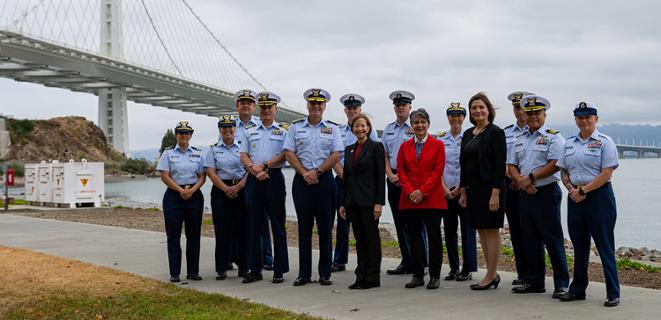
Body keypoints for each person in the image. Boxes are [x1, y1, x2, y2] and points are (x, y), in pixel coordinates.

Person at [557, 102, 621, 307]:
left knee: (604, 246)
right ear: (575, 119)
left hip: (599, 197)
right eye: (580, 117)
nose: (584, 121)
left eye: (588, 117)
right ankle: (577, 290)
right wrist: (572, 190)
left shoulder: (605, 142)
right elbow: (563, 170)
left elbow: (607, 173)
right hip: (575, 197)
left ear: (596, 119)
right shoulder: (569, 143)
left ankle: (613, 292)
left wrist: (584, 190)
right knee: (580, 246)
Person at [507, 95, 570, 298]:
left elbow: (555, 163)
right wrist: (521, 182)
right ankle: (535, 281)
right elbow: (511, 166)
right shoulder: (520, 138)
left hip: (546, 192)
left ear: (545, 114)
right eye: (530, 113)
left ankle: (561, 283)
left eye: (537, 113)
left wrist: (531, 179)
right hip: (525, 193)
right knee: (530, 239)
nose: (533, 117)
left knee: (552, 239)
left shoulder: (554, 137)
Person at [284, 88, 343, 286]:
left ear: (324, 106)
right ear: (307, 105)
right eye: (313, 103)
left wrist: (317, 172)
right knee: (304, 228)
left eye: (320, 104)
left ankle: (325, 273)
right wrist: (304, 172)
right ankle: (304, 273)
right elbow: (289, 153)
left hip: (324, 181)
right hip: (301, 181)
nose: (316, 106)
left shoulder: (333, 129)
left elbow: (336, 154)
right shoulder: (295, 127)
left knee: (325, 228)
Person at [239, 91, 290, 284]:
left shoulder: (283, 131)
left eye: (270, 107)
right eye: (264, 107)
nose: (267, 110)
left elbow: (286, 154)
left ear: (275, 109)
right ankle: (255, 269)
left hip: (274, 178)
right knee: (254, 225)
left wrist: (266, 165)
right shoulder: (249, 131)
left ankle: (279, 269)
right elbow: (243, 155)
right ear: (259, 110)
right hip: (254, 178)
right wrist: (254, 169)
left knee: (278, 225)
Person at [458, 93, 506, 291]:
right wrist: (463, 191)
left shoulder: (495, 132)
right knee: (482, 230)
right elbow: (464, 163)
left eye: (481, 107)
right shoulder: (469, 133)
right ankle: (490, 273)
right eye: (474, 108)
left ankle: (491, 274)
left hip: (490, 188)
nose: (477, 110)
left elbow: (499, 164)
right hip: (473, 189)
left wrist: (495, 193)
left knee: (492, 229)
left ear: (488, 110)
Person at [397, 108, 447, 290]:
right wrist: (411, 191)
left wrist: (422, 192)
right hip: (410, 199)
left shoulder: (438, 145)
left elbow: (437, 171)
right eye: (416, 122)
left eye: (422, 122)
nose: (419, 125)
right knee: (414, 238)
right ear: (411, 126)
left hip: (431, 199)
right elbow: (401, 171)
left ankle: (434, 276)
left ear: (428, 124)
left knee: (434, 238)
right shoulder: (404, 147)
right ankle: (417, 275)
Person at [331, 93, 379, 273]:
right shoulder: (338, 131)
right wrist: (345, 177)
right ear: (345, 110)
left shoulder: (369, 130)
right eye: (349, 108)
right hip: (342, 180)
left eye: (355, 108)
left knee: (366, 224)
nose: (352, 110)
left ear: (360, 110)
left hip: (364, 184)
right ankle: (340, 259)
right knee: (342, 220)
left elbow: (375, 157)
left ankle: (369, 263)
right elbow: (334, 156)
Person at [338, 113, 386, 290]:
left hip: (369, 202)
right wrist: (343, 203)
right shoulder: (349, 149)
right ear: (352, 129)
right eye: (356, 126)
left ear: (368, 128)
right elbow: (347, 178)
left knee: (371, 239)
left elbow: (380, 178)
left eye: (363, 126)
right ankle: (361, 275)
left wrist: (379, 203)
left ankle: (372, 277)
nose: (360, 129)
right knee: (359, 240)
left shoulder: (376, 147)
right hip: (352, 202)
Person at [382, 90, 427, 275]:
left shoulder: (417, 126)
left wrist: (405, 177)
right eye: (398, 105)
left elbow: (422, 153)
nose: (401, 107)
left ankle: (422, 263)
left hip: (411, 180)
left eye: (404, 104)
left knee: (417, 223)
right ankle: (407, 261)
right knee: (399, 223)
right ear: (395, 107)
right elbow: (384, 155)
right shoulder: (388, 129)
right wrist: (390, 175)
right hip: (393, 179)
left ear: (410, 107)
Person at [157, 121, 206, 283]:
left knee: (194, 235)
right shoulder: (168, 153)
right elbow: (164, 176)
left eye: (187, 133)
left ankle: (193, 271)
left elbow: (202, 176)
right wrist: (180, 190)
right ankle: (175, 273)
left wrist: (191, 191)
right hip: (173, 197)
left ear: (191, 136)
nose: (184, 136)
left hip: (194, 195)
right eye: (181, 133)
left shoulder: (198, 154)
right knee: (173, 236)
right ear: (176, 135)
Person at [205, 114, 249, 281]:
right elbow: (211, 172)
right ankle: (221, 267)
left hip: (241, 190)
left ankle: (244, 267)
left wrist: (237, 187)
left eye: (230, 126)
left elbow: (248, 170)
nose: (228, 130)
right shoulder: (213, 149)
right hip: (220, 192)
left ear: (235, 129)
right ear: (220, 130)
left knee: (242, 230)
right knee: (222, 230)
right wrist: (226, 189)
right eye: (224, 127)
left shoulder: (243, 148)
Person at [234, 89, 274, 271]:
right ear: (237, 106)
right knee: (240, 221)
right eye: (242, 102)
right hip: (235, 179)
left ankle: (266, 258)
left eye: (249, 103)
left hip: (256, 177)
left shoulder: (261, 124)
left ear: (254, 106)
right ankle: (240, 258)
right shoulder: (228, 126)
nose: (246, 105)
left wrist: (253, 172)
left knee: (262, 221)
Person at [438, 102, 477, 282]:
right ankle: (453, 267)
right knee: (449, 230)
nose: (455, 119)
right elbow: (437, 166)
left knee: (468, 230)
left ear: (464, 118)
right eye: (452, 115)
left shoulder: (470, 136)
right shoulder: (440, 138)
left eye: (459, 115)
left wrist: (462, 189)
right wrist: (445, 189)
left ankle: (467, 269)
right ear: (448, 118)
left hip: (464, 191)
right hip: (446, 191)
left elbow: (470, 167)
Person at [504, 91, 534, 286]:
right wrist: (513, 178)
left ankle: (535, 274)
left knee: (532, 233)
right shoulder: (506, 132)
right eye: (516, 107)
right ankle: (522, 273)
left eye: (523, 108)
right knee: (516, 232)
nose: (520, 112)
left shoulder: (539, 132)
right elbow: (501, 160)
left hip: (532, 187)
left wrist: (524, 180)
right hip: (511, 187)